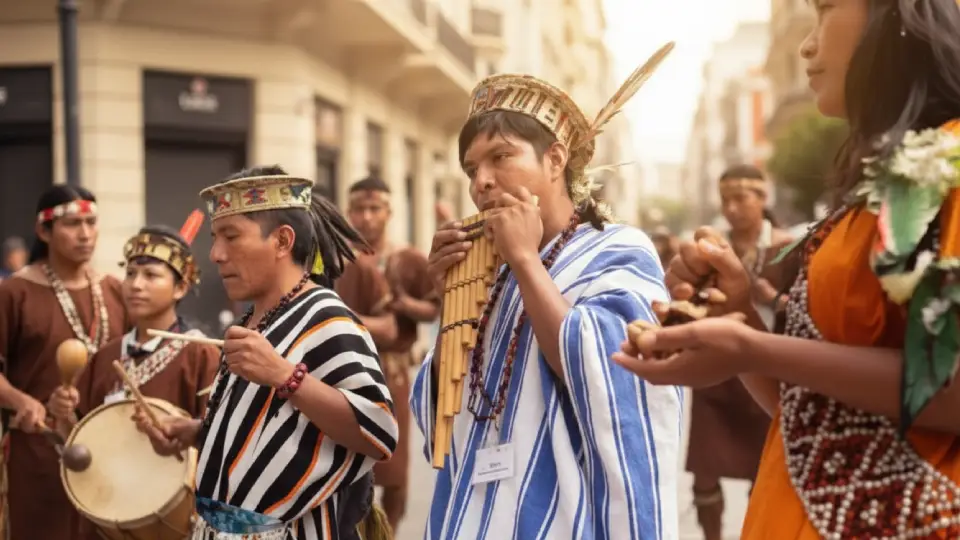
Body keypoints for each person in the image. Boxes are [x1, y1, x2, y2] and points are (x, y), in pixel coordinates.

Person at [614, 0, 960, 538]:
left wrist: (753, 347)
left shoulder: (953, 164)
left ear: (900, 13)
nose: (806, 44)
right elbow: (811, 414)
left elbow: (949, 389)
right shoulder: (883, 180)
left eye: (825, 10)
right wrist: (740, 322)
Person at [410, 51, 681, 538]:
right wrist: (448, 304)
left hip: (563, 517)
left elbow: (610, 374)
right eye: (472, 169)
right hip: (474, 512)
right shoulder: (485, 270)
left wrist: (526, 262)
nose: (482, 182)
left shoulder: (620, 249)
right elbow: (444, 418)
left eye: (500, 157)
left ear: (555, 159)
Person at [134, 166, 398, 540]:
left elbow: (379, 432)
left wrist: (285, 376)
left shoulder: (328, 320)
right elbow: (278, 427)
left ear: (282, 241)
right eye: (214, 238)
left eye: (231, 237)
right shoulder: (255, 318)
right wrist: (197, 433)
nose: (216, 254)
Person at [0, 185, 127, 540]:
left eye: (91, 222)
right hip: (39, 450)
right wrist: (20, 400)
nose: (85, 234)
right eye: (73, 224)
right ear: (44, 231)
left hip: (108, 451)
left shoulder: (116, 290)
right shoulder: (15, 292)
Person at [684, 164, 794, 540]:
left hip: (767, 367)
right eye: (725, 199)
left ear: (763, 198)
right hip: (716, 369)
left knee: (763, 468)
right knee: (705, 467)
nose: (731, 208)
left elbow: (809, 307)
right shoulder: (713, 249)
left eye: (740, 198)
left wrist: (773, 298)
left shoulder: (788, 246)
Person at [346, 175, 440, 530]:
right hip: (349, 370)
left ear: (388, 212)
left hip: (392, 372)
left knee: (394, 470)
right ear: (348, 212)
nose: (366, 217)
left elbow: (433, 309)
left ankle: (392, 532)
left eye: (374, 209)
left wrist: (405, 305)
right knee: (352, 464)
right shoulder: (341, 260)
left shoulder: (408, 258)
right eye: (359, 209)